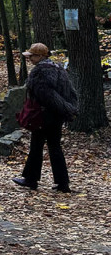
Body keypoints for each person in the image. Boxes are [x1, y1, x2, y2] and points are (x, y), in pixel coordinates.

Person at [13, 43, 78, 193]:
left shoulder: (40, 72)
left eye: (32, 56)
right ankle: (62, 183)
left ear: (41, 56)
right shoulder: (59, 68)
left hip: (43, 115)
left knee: (37, 146)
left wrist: (64, 108)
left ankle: (31, 179)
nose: (29, 59)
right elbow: (69, 92)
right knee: (54, 147)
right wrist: (68, 109)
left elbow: (48, 96)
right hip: (56, 116)